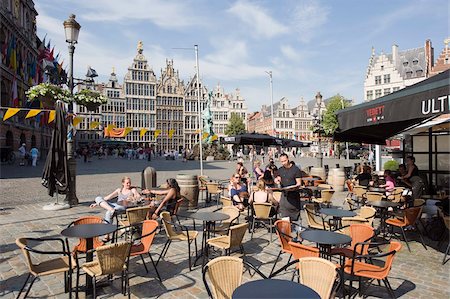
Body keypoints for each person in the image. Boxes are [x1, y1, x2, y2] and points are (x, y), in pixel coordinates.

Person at [274, 153, 303, 220]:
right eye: (282, 161)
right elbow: (278, 178)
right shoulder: (280, 169)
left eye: (285, 161)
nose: (283, 163)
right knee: (284, 216)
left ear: (288, 159)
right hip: (284, 196)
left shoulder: (296, 170)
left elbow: (299, 183)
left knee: (294, 217)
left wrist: (294, 187)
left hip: (294, 196)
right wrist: (277, 180)